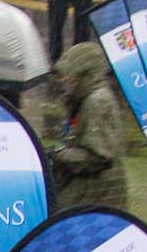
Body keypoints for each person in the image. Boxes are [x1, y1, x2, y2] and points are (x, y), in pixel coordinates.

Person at [45, 41, 129, 210]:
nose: (64, 81)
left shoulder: (96, 102)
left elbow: (99, 156)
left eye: (69, 76)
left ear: (84, 75)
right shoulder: (84, 99)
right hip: (93, 194)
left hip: (97, 197)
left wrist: (60, 155)